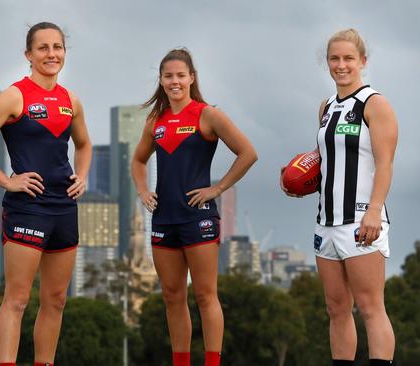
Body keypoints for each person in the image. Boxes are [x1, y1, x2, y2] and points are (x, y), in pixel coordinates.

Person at [0, 22, 91, 366]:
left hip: (64, 207)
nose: (51, 54)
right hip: (27, 208)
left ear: (64, 52)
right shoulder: (14, 96)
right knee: (16, 300)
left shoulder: (70, 101)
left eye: (57, 47)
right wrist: (6, 180)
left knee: (57, 300)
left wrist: (84, 175)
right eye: (43, 48)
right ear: (29, 54)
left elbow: (84, 144)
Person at [132, 48, 257, 366]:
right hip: (163, 220)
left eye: (180, 75)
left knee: (204, 295)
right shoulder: (155, 121)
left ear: (191, 78)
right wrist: (144, 190)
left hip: (198, 219)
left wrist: (217, 189)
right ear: (161, 80)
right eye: (168, 76)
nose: (174, 81)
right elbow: (138, 160)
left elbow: (247, 153)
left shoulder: (207, 114)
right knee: (173, 297)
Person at [282, 29, 397, 366]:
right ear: (327, 63)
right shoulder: (327, 107)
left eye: (348, 58)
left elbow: (386, 163)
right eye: (335, 58)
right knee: (336, 307)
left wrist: (374, 211)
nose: (341, 65)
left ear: (363, 61)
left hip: (361, 219)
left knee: (370, 306)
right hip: (326, 221)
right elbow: (326, 161)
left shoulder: (375, 103)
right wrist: (300, 183)